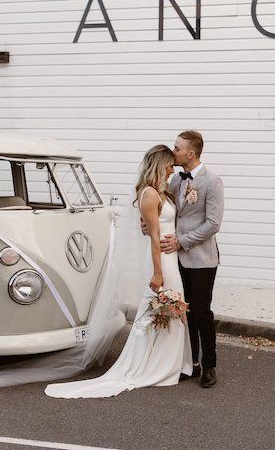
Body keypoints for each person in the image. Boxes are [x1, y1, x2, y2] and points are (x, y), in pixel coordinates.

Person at [44, 145, 192, 399]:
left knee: (171, 309)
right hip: (161, 260)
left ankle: (170, 364)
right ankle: (153, 365)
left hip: (171, 256)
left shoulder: (162, 191)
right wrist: (158, 272)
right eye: (169, 166)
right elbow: (154, 237)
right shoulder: (149, 194)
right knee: (159, 307)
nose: (171, 170)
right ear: (160, 164)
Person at [162, 130, 224, 388]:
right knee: (183, 313)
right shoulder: (176, 180)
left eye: (177, 148)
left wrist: (182, 241)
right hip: (176, 258)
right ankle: (191, 365)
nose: (173, 151)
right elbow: (167, 210)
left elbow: (213, 223)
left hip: (202, 259)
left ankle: (209, 364)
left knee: (202, 313)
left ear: (190, 153)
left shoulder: (212, 181)